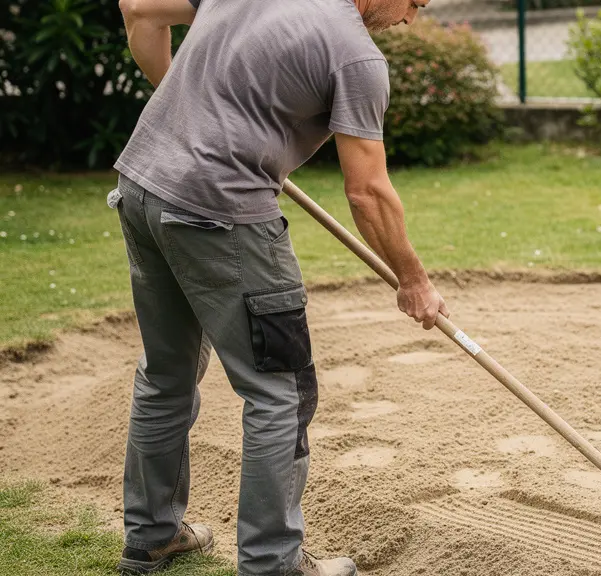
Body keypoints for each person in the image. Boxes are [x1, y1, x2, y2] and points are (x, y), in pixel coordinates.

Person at [111, 0, 447, 574]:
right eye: (416, 2)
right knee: (280, 395)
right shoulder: (356, 57)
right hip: (220, 215)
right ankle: (274, 564)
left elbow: (139, 8)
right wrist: (414, 280)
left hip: (144, 186)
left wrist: (195, 118)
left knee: (166, 375)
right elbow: (367, 191)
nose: (412, 19)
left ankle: (152, 537)